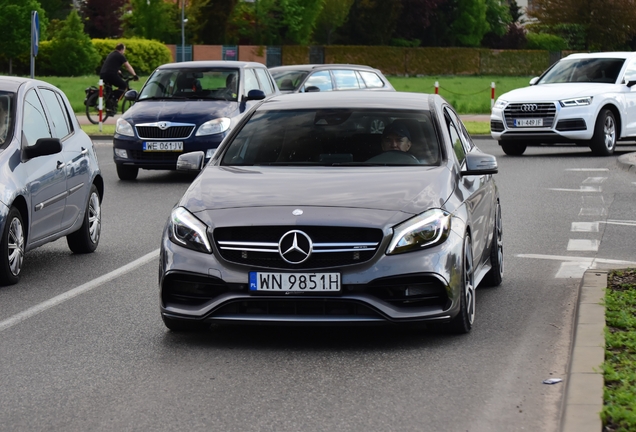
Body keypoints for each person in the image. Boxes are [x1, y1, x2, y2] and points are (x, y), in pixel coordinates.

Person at [99, 43, 138, 112]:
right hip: (110, 74)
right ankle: (114, 99)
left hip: (103, 74)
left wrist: (119, 72)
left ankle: (109, 107)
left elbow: (111, 65)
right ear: (122, 49)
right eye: (124, 50)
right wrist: (134, 75)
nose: (124, 52)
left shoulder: (111, 54)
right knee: (123, 86)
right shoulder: (120, 56)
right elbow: (128, 66)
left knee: (109, 90)